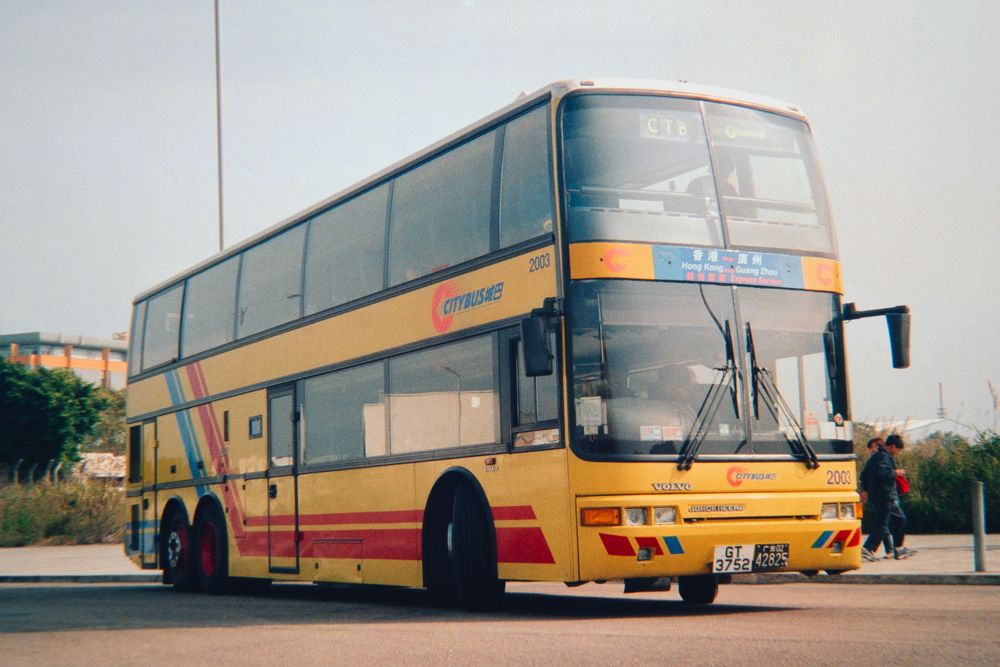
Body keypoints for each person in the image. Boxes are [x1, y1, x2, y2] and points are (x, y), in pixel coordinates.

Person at [860, 434, 917, 560]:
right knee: (883, 523)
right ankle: (868, 549)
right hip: (884, 495)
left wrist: (867, 489)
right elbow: (881, 474)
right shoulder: (883, 457)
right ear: (892, 446)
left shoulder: (877, 456)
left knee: (898, 519)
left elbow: (864, 475)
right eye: (898, 450)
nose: (897, 453)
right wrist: (896, 472)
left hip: (881, 495)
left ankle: (897, 549)